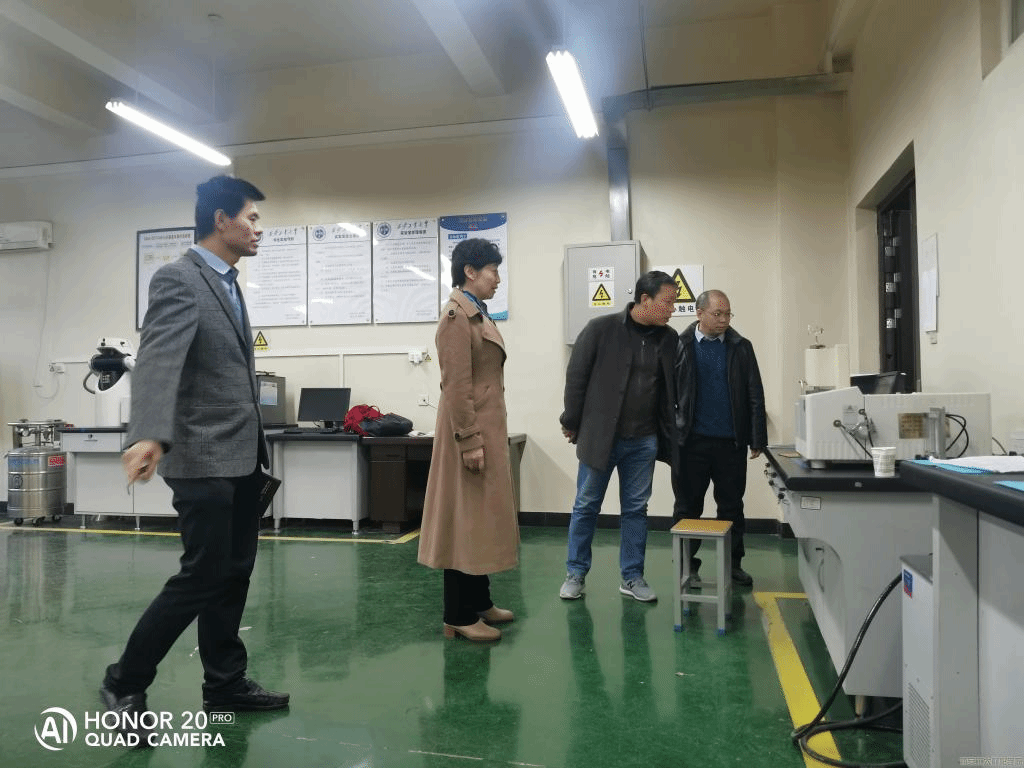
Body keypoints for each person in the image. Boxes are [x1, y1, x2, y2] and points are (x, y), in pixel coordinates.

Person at [100, 175, 289, 738]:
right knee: (203, 575)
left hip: (241, 456)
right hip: (202, 456)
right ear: (221, 220)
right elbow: (159, 360)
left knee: (233, 574)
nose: (258, 228)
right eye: (251, 217)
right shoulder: (179, 278)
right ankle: (124, 680)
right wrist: (149, 435)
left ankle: (225, 684)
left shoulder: (228, 284)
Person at [418, 238, 519, 642]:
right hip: (469, 434)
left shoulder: (477, 314)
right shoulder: (456, 318)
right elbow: (456, 387)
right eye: (493, 270)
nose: (498, 279)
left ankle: (480, 601)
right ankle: (458, 614)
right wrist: (470, 440)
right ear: (470, 272)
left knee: (480, 520)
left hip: (483, 430)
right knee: (463, 522)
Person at [559, 271, 678, 603]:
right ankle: (575, 573)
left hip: (643, 440)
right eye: (668, 302)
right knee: (586, 505)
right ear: (644, 299)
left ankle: (632, 576)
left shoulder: (669, 339)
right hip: (601, 438)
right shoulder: (601, 329)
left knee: (636, 509)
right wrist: (571, 420)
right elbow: (576, 378)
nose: (672, 309)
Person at [671, 289, 767, 587]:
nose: (724, 320)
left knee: (731, 506)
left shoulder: (741, 347)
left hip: (730, 443)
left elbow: (754, 393)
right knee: (687, 507)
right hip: (690, 443)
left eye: (727, 314)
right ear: (699, 313)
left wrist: (757, 438)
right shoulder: (680, 345)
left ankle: (733, 564)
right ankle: (687, 566)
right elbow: (667, 394)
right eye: (718, 314)